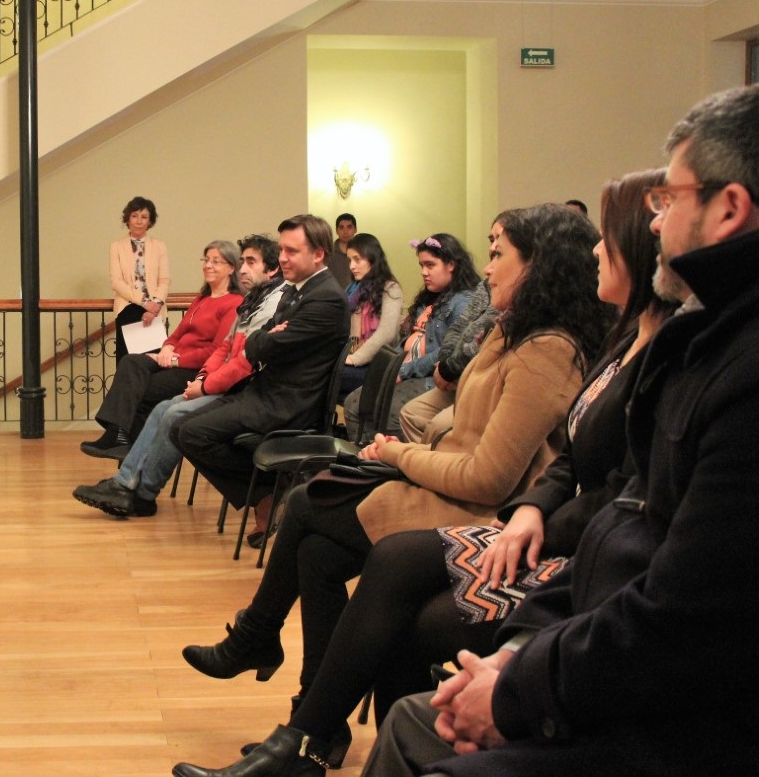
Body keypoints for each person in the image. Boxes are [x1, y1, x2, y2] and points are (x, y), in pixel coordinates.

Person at [170, 170, 675, 777]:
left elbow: (497, 475)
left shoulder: (551, 348)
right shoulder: (534, 333)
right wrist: (413, 443)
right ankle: (308, 729)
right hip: (473, 493)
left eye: (497, 254)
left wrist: (399, 454)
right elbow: (461, 415)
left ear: (539, 266)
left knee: (313, 510)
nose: (485, 268)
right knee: (319, 552)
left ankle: (291, 701)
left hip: (484, 509)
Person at [362, 85, 759, 777]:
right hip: (587, 603)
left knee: (403, 596)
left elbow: (681, 611)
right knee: (409, 708)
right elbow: (610, 513)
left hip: (689, 718)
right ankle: (307, 729)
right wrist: (516, 654)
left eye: (668, 200)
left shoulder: (728, 363)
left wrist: (516, 685)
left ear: (728, 209)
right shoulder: (685, 342)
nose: (655, 224)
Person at [72, 235, 284, 518]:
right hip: (207, 375)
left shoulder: (246, 302)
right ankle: (123, 468)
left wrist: (199, 378)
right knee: (138, 371)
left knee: (162, 406)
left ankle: (138, 489)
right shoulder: (240, 302)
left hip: (233, 386)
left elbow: (239, 359)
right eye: (242, 261)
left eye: (250, 262)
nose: (244, 269)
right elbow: (223, 350)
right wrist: (176, 353)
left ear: (271, 270)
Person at [170, 215, 349, 538]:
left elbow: (260, 346)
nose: (282, 258)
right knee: (179, 428)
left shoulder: (326, 297)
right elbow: (258, 339)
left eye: (292, 251)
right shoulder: (297, 290)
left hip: (288, 404)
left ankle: (267, 491)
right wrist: (265, 339)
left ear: (319, 254)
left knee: (192, 433)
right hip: (265, 392)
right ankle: (269, 488)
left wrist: (265, 340)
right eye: (282, 250)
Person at [82, 240, 243, 458]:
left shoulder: (234, 303)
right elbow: (178, 333)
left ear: (232, 268)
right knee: (131, 361)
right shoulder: (201, 298)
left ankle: (129, 456)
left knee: (142, 390)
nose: (208, 265)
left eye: (216, 261)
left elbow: (215, 351)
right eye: (206, 260)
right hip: (172, 359)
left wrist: (175, 360)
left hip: (195, 371)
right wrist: (167, 347)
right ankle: (117, 434)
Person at [344, 234, 478, 438]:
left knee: (386, 414)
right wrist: (391, 369)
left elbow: (447, 353)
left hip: (428, 378)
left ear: (451, 264)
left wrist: (404, 370)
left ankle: (387, 462)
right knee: (354, 403)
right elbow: (406, 342)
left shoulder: (463, 302)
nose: (424, 272)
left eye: (430, 265)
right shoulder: (430, 297)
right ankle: (368, 459)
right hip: (405, 369)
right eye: (421, 265)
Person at [397, 218, 510, 444]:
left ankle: (428, 467)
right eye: (491, 239)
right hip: (448, 371)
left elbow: (479, 341)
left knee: (412, 414)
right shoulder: (484, 286)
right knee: (405, 411)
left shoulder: (464, 298)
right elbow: (462, 329)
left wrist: (446, 369)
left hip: (469, 378)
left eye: (499, 240)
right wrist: (446, 365)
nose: (492, 248)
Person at [338, 233, 404, 400]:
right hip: (351, 358)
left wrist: (355, 358)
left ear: (372, 258)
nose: (352, 266)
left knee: (319, 377)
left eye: (357, 259)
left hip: (375, 366)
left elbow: (387, 332)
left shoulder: (390, 288)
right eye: (349, 260)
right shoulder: (351, 290)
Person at [109, 196, 170, 362]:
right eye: (134, 216)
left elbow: (164, 279)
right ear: (127, 218)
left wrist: (155, 305)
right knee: (126, 363)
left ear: (150, 221)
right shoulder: (117, 246)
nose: (138, 221)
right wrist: (144, 303)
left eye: (144, 217)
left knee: (153, 363)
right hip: (128, 308)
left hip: (155, 310)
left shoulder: (159, 245)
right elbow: (116, 282)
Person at [328, 212, 356, 289]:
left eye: (349, 227)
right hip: (334, 297)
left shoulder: (363, 252)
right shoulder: (328, 253)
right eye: (341, 227)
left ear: (355, 229)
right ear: (336, 230)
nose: (345, 232)